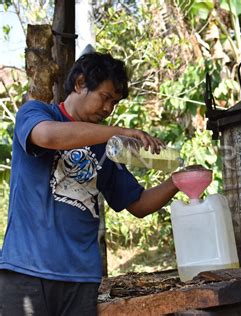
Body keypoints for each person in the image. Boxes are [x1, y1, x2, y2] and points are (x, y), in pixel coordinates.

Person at [0, 52, 179, 315]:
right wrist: (118, 131)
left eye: (114, 103)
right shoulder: (36, 112)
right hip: (27, 270)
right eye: (105, 97)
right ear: (80, 83)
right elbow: (48, 136)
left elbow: (138, 204)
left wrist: (177, 181)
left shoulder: (107, 145)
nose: (108, 109)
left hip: (81, 278)